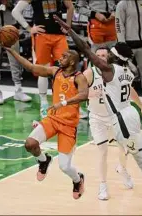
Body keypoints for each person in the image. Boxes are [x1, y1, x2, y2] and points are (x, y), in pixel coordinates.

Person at [54, 16, 142, 175]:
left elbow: (85, 49)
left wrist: (70, 30)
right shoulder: (130, 71)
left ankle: (123, 168)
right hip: (131, 113)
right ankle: (122, 169)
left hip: (120, 117)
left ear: (113, 56)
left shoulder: (109, 71)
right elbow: (131, 90)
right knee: (132, 149)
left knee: (136, 154)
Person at [4, 46, 89, 199]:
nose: (59, 58)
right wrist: (12, 51)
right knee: (30, 143)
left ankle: (78, 179)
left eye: (64, 57)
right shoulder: (55, 71)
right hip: (52, 119)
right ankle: (44, 161)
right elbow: (30, 67)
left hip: (68, 125)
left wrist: (63, 104)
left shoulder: (79, 77)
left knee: (64, 166)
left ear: (71, 62)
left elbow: (84, 95)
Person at [83, 46, 142, 200]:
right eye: (98, 55)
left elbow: (130, 89)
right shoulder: (89, 74)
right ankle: (103, 186)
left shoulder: (117, 72)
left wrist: (140, 105)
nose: (101, 57)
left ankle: (122, 169)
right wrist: (88, 93)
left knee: (126, 148)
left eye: (104, 55)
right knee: (102, 151)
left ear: (109, 56)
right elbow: (75, 91)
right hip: (97, 118)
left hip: (115, 118)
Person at [12, 0, 74, 118]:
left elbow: (70, 7)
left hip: (59, 36)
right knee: (43, 69)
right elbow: (15, 12)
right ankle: (44, 103)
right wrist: (29, 28)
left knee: (67, 69)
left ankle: (68, 103)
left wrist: (68, 25)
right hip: (41, 36)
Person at [0, 0, 31, 104]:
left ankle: (18, 89)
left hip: (11, 31)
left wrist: (8, 3)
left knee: (15, 60)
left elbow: (18, 8)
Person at [115, 0, 142, 88]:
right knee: (126, 75)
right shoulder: (122, 4)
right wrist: (122, 43)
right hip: (128, 45)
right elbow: (119, 24)